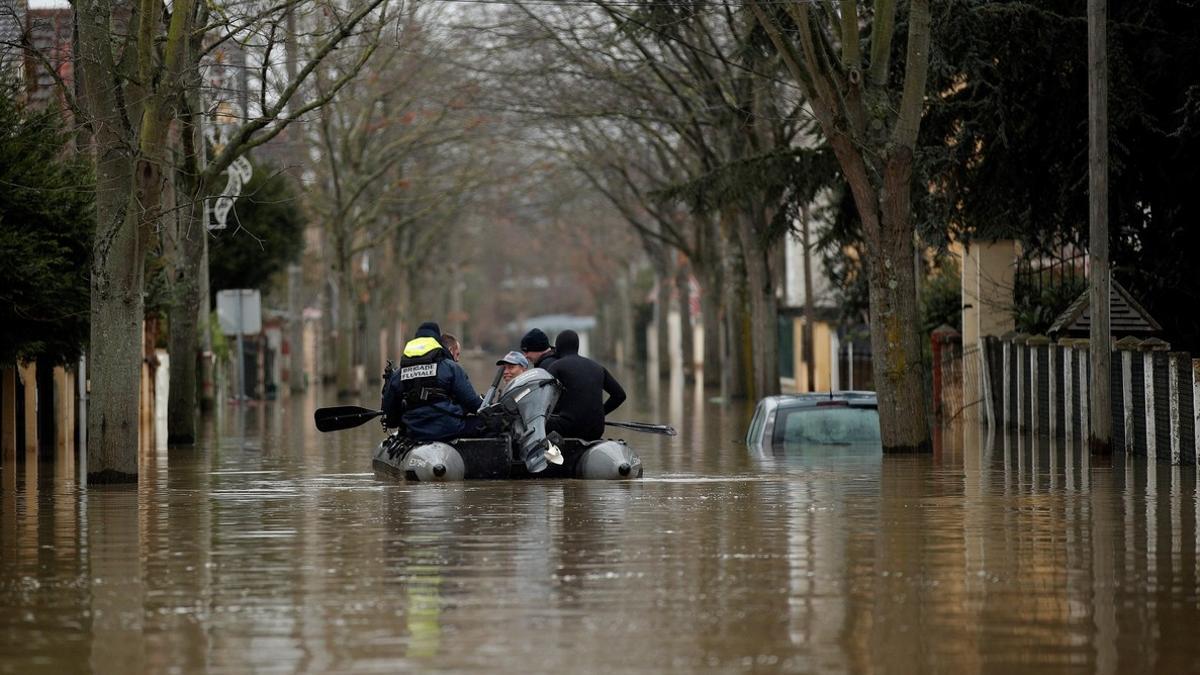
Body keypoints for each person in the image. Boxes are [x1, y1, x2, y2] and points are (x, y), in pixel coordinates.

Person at [381, 322, 483, 441]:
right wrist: (488, 409)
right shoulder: (450, 367)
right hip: (448, 429)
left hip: (413, 431)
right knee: (487, 425)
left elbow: (391, 418)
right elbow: (473, 404)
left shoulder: (399, 373)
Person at [545, 329, 626, 441]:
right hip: (596, 429)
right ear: (577, 346)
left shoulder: (556, 367)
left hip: (569, 429)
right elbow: (620, 395)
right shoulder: (598, 367)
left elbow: (543, 399)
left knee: (538, 424)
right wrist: (600, 413)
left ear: (558, 348)